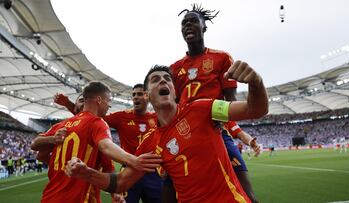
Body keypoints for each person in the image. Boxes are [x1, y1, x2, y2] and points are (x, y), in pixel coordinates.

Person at [65, 63, 268, 203]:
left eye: (167, 79)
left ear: (174, 90)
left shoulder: (204, 108)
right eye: (155, 80)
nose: (162, 82)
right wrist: (86, 173)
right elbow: (121, 182)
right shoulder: (150, 142)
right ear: (147, 94)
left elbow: (255, 109)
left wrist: (256, 82)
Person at [170, 4, 259, 202]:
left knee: (248, 195)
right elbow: (173, 106)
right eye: (184, 23)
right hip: (185, 135)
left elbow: (231, 101)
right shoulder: (174, 69)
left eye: (193, 21)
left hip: (216, 131)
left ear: (204, 27)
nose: (188, 25)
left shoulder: (221, 58)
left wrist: (223, 122)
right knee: (171, 188)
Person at [31, 81, 161, 203]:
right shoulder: (97, 123)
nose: (109, 106)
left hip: (49, 197)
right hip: (82, 197)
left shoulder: (60, 126)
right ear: (99, 100)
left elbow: (39, 154)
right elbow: (106, 147)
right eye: (108, 101)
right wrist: (134, 161)